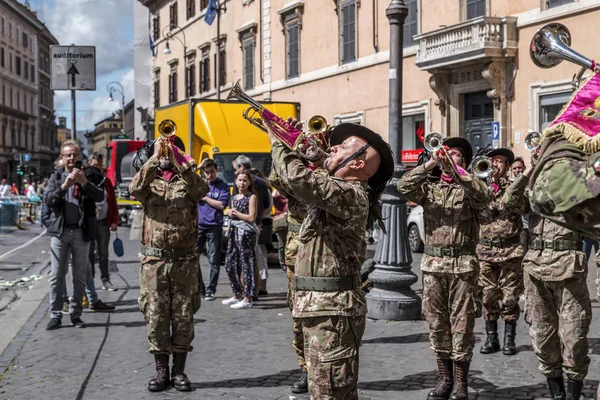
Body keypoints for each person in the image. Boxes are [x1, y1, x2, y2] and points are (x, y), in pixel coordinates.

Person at [267, 119, 394, 399]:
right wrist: (302, 152)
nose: (333, 146)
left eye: (344, 146)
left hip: (332, 312)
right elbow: (284, 182)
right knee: (322, 389)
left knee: (331, 393)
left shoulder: (351, 194)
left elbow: (297, 179)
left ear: (358, 164)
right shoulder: (334, 187)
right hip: (319, 308)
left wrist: (279, 139)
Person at [398, 137, 491, 400]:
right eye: (447, 153)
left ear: (465, 161)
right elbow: (404, 186)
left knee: (462, 326)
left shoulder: (471, 189)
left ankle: (461, 384)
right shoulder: (429, 189)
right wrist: (430, 164)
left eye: (457, 154)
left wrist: (462, 173)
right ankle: (444, 379)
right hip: (433, 266)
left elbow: (485, 197)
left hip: (462, 266)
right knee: (437, 324)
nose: (450, 157)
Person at [504, 153, 590, 400]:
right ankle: (557, 394)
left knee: (574, 337)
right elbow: (510, 199)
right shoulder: (533, 189)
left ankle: (573, 393)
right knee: (542, 336)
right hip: (536, 269)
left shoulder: (578, 185)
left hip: (569, 269)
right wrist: (530, 169)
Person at [130, 137, 208, 392]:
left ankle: (179, 372)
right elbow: (134, 189)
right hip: (154, 262)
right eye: (164, 148)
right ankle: (161, 371)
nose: (166, 153)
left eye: (171, 148)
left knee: (184, 316)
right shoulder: (148, 178)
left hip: (184, 261)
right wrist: (154, 158)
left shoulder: (188, 178)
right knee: (155, 317)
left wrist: (182, 163)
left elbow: (202, 191)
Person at [269, 140, 329, 395]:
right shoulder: (295, 171)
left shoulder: (329, 172)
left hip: (326, 254)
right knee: (298, 316)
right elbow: (276, 178)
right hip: (297, 254)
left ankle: (325, 369)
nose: (311, 146)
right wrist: (289, 147)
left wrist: (320, 157)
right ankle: (306, 370)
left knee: (325, 316)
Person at [44, 140, 105, 330]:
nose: (71, 158)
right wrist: (64, 186)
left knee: (79, 276)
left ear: (80, 157)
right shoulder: (55, 177)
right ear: (62, 158)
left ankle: (76, 315)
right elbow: (48, 200)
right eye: (67, 155)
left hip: (81, 233)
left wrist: (84, 183)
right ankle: (55, 315)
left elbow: (100, 196)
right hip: (61, 232)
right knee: (56, 276)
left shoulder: (87, 175)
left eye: (75, 154)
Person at [476, 148, 527, 356]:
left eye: (499, 161)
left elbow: (523, 206)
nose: (495, 165)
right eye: (492, 161)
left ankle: (509, 339)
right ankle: (491, 338)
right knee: (488, 297)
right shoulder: (480, 189)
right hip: (486, 252)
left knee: (510, 298)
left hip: (510, 251)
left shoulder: (514, 188)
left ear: (506, 165)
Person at [231, 156, 271, 298]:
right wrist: (259, 219)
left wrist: (252, 217)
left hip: (247, 225)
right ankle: (259, 289)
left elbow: (236, 206)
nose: (235, 172)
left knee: (246, 259)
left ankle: (247, 291)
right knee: (257, 257)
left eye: (235, 169)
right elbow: (267, 206)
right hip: (256, 224)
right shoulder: (262, 182)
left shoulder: (245, 185)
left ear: (241, 167)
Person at [222, 171, 258, 309]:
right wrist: (228, 212)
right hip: (233, 232)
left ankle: (248, 297)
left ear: (249, 182)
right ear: (236, 182)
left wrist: (237, 214)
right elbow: (230, 213)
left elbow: (251, 217)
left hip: (246, 233)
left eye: (245, 180)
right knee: (229, 263)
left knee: (246, 264)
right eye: (240, 180)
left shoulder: (251, 197)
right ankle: (237, 292)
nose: (242, 183)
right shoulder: (234, 198)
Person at [196, 158, 230, 301]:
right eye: (207, 172)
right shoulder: (199, 184)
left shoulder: (223, 186)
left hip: (214, 226)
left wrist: (205, 198)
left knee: (214, 259)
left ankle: (211, 289)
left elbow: (222, 205)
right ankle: (200, 288)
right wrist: (198, 166)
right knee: (193, 257)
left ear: (217, 171)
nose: (210, 175)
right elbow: (186, 178)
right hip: (199, 226)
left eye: (212, 172)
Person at [86, 156, 119, 291]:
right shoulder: (85, 180)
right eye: (93, 165)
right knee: (89, 254)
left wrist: (114, 221)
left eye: (97, 166)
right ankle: (90, 281)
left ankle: (105, 279)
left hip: (103, 223)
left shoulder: (106, 182)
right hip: (89, 222)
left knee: (103, 253)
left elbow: (112, 202)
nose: (95, 168)